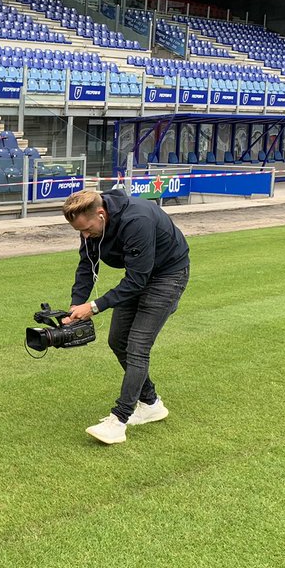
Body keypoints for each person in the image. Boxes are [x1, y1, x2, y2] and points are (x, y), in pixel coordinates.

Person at [61, 188, 190, 445]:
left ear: (101, 214)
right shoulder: (90, 224)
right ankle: (151, 403)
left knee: (137, 346)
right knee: (117, 340)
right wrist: (76, 305)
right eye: (79, 231)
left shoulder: (136, 220)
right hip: (139, 275)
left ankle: (119, 420)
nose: (84, 235)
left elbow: (137, 281)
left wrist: (94, 307)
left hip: (167, 275)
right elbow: (87, 265)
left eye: (87, 229)